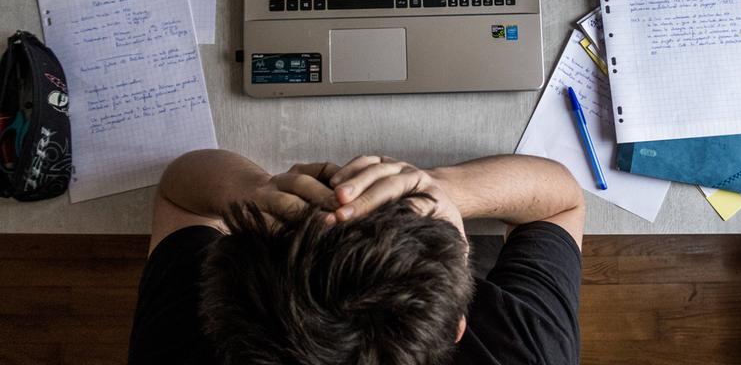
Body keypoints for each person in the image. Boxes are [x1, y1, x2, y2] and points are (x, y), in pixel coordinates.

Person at [128, 150, 585, 365]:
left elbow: (179, 192)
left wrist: (251, 192)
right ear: (458, 327)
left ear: (215, 315)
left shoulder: (180, 349)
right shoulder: (525, 352)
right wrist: (442, 190)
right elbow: (561, 201)